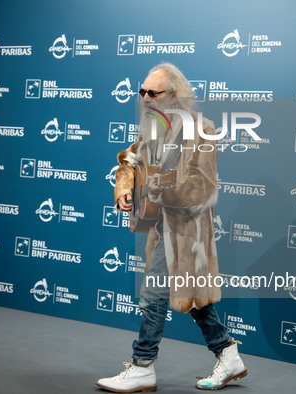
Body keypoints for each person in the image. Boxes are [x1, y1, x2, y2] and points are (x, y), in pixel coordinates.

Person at [96, 63, 247, 392]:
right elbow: (128, 163)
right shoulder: (151, 128)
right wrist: (124, 189)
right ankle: (227, 352)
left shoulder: (202, 130)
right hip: (159, 228)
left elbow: (203, 187)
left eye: (154, 93)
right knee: (193, 299)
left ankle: (142, 366)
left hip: (187, 232)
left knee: (153, 294)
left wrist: (160, 186)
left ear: (175, 96)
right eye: (143, 92)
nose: (146, 98)